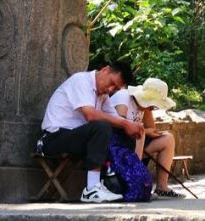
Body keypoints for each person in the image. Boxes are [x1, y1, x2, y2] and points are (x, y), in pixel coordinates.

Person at [38, 60, 144, 203]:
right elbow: (90, 115)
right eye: (112, 83)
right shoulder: (81, 81)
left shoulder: (103, 95)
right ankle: (91, 189)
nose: (110, 89)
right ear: (106, 70)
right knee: (101, 127)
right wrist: (125, 122)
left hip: (75, 137)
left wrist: (131, 126)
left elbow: (115, 118)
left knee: (123, 134)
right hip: (52, 139)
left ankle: (120, 182)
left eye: (115, 89)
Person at [110, 77, 183, 198]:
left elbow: (150, 128)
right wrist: (141, 130)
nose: (152, 109)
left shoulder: (145, 107)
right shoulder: (124, 98)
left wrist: (145, 131)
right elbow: (118, 127)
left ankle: (162, 187)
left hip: (135, 141)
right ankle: (136, 181)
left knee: (168, 139)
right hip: (118, 145)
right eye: (152, 106)